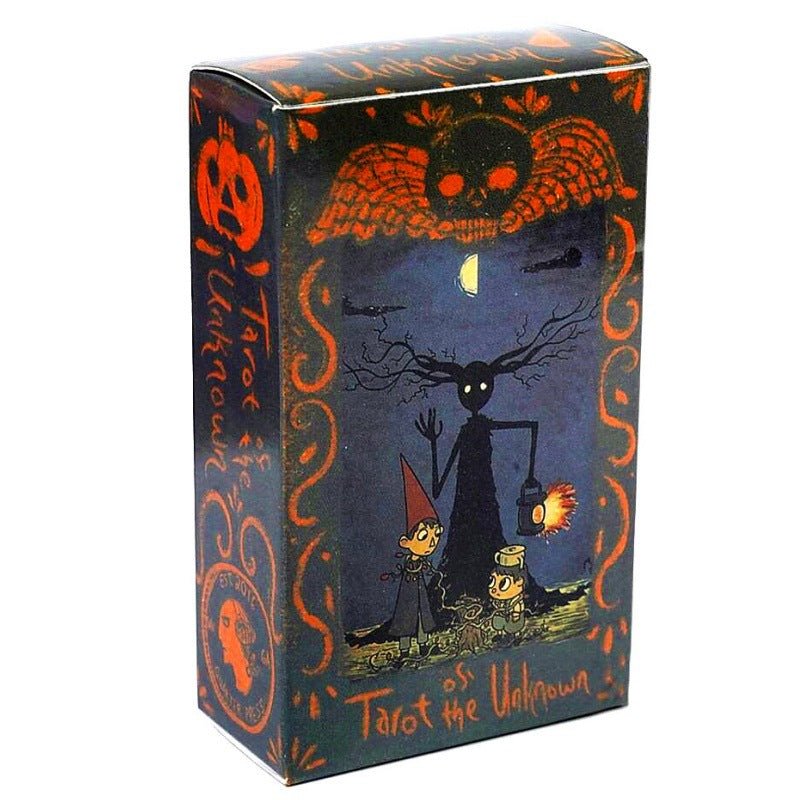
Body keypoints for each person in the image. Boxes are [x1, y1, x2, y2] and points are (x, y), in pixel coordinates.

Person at [387, 455, 444, 663]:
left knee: (422, 619)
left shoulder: (422, 562)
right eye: (423, 537)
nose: (431, 543)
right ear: (405, 541)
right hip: (408, 596)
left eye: (435, 537)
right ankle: (404, 651)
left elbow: (426, 569)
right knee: (405, 621)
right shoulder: (409, 561)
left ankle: (423, 646)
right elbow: (405, 572)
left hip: (420, 595)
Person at [489, 545, 527, 644]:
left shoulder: (516, 600)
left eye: (503, 584)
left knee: (513, 625)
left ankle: (516, 635)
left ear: (519, 582)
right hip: (503, 614)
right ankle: (500, 634)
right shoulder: (501, 600)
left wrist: (516, 613)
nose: (494, 589)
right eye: (492, 581)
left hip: (514, 617)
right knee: (498, 621)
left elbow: (518, 607)